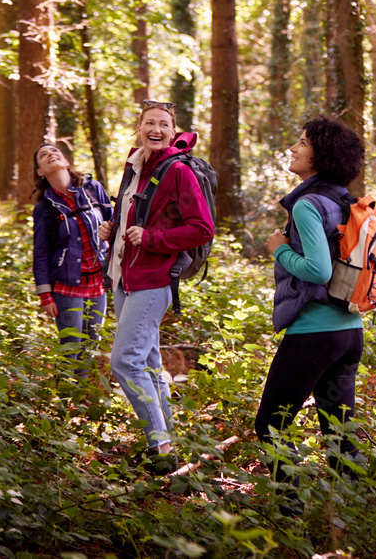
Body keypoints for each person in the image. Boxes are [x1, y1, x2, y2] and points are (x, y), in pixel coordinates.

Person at [98, 99, 214, 475]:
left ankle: (159, 444)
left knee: (124, 360)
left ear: (174, 131)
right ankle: (170, 441)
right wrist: (112, 230)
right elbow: (132, 213)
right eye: (150, 123)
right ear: (140, 128)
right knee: (147, 361)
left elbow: (201, 229)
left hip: (152, 280)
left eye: (164, 124)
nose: (157, 130)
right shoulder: (134, 166)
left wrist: (151, 239)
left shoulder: (178, 171)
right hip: (121, 277)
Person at [258, 116, 366, 514]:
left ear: (320, 156)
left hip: (313, 335)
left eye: (302, 143)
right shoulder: (345, 202)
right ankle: (354, 518)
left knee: (271, 425)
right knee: (340, 435)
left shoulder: (307, 203)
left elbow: (319, 271)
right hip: (349, 332)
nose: (293, 148)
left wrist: (279, 248)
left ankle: (291, 514)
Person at [31, 143, 114, 377]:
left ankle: (81, 401)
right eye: (43, 155)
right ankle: (64, 404)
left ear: (66, 162)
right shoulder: (44, 207)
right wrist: (45, 295)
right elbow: (41, 254)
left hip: (98, 283)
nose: (51, 154)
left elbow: (113, 221)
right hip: (66, 287)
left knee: (91, 345)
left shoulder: (92, 189)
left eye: (55, 151)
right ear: (40, 171)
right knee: (71, 348)